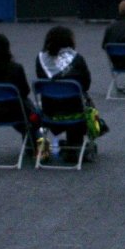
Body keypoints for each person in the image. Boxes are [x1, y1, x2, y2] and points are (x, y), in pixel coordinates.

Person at [36, 25, 96, 159]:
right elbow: (86, 85)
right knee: (81, 102)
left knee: (42, 107)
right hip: (75, 111)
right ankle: (75, 147)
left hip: (49, 111)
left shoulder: (40, 59)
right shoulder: (77, 59)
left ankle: (43, 149)